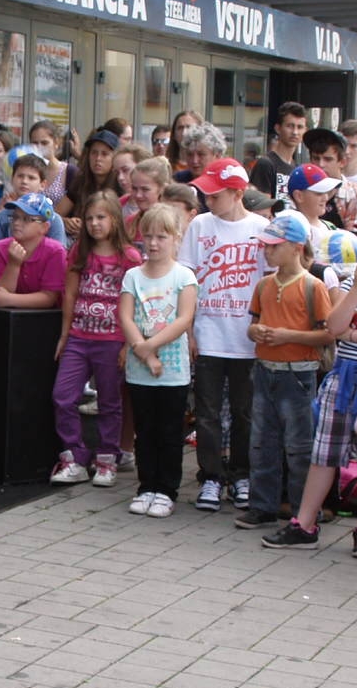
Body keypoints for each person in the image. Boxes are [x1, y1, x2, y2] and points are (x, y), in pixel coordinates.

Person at [262, 215, 357, 556]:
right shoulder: (352, 283)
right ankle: (303, 524)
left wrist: (354, 335)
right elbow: (333, 325)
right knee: (324, 453)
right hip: (344, 376)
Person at [183, 159, 264, 514]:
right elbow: (187, 280)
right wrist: (188, 330)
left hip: (245, 338)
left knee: (246, 412)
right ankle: (212, 476)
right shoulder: (200, 225)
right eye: (206, 193)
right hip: (209, 333)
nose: (208, 200)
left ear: (238, 193)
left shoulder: (262, 228)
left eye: (215, 195)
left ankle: (241, 474)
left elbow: (270, 283)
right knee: (207, 412)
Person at [242, 213, 331, 530]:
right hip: (266, 370)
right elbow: (253, 324)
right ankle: (262, 505)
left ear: (295, 247)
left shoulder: (313, 286)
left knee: (298, 446)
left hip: (298, 374)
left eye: (273, 246)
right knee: (262, 441)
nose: (267, 251)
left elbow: (327, 334)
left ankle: (303, 510)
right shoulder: (265, 284)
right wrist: (257, 333)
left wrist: (287, 336)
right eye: (265, 246)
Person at [49, 192, 135, 487]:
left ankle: (107, 458)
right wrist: (64, 335)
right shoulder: (79, 253)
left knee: (110, 401)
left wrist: (127, 344)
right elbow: (70, 294)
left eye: (101, 218)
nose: (95, 224)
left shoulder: (129, 257)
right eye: (89, 218)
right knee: (63, 396)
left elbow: (133, 302)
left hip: (112, 339)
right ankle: (74, 455)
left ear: (114, 219)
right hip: (79, 337)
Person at [120, 201, 198, 517]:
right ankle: (146, 486)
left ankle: (166, 489)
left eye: (161, 237)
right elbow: (126, 316)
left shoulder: (184, 277)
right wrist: (142, 350)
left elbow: (183, 319)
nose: (153, 243)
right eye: (148, 236)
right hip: (139, 371)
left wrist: (149, 348)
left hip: (173, 371)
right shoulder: (132, 276)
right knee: (145, 430)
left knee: (168, 431)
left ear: (176, 238)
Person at [251, 102, 309, 196]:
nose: (295, 132)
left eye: (300, 127)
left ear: (305, 131)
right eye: (290, 126)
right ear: (278, 128)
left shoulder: (298, 169)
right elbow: (261, 206)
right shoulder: (266, 164)